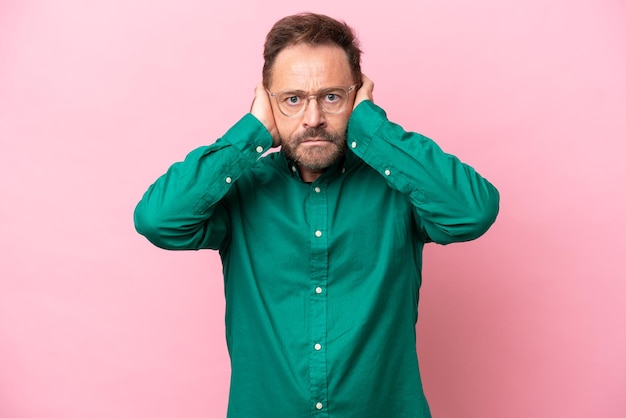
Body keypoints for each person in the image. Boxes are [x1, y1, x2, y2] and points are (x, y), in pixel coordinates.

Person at [134, 12, 499, 418]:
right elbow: (158, 220)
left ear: (357, 97)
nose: (313, 119)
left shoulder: (397, 187)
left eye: (331, 97)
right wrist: (250, 133)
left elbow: (473, 211)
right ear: (268, 103)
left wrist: (374, 131)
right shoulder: (241, 189)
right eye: (292, 99)